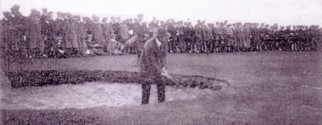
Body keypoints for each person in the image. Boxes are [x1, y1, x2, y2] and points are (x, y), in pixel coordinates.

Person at [139, 27, 171, 104]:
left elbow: (164, 57)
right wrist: (161, 73)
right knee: (146, 89)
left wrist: (164, 68)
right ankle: (144, 108)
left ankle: (162, 104)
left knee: (162, 82)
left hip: (156, 65)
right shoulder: (149, 45)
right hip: (145, 67)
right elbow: (151, 63)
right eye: (165, 36)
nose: (167, 38)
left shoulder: (164, 43)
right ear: (160, 37)